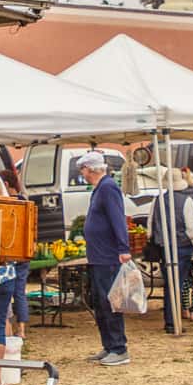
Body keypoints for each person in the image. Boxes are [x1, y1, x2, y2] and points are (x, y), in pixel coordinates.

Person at [78, 151, 132, 366]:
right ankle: (109, 345)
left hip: (107, 256)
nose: (81, 173)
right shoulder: (101, 188)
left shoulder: (108, 188)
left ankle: (119, 348)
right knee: (101, 302)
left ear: (90, 169)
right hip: (98, 255)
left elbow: (117, 218)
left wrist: (123, 247)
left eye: (82, 169)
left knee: (110, 302)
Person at [149, 167, 193, 333]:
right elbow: (191, 226)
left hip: (163, 246)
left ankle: (170, 320)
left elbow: (150, 225)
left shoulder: (157, 200)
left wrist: (155, 239)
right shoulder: (187, 201)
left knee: (169, 284)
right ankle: (173, 321)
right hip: (182, 246)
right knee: (177, 283)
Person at [0, 167, 31, 338]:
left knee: (5, 291)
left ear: (5, 184)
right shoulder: (25, 202)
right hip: (22, 253)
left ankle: (8, 328)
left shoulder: (5, 203)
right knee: (19, 292)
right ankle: (22, 329)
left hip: (9, 253)